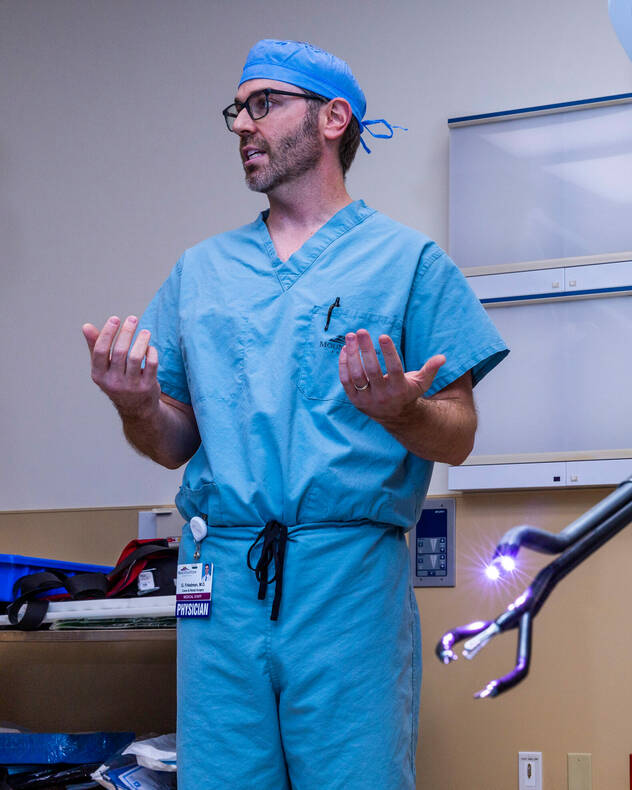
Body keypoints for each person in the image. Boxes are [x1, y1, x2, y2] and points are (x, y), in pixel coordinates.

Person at [81, 39, 507, 789]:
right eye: (236, 111)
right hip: (218, 581)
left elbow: (461, 434)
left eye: (263, 105)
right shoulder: (201, 273)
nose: (243, 125)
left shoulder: (408, 264)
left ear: (333, 118)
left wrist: (401, 412)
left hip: (346, 582)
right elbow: (173, 442)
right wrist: (137, 404)